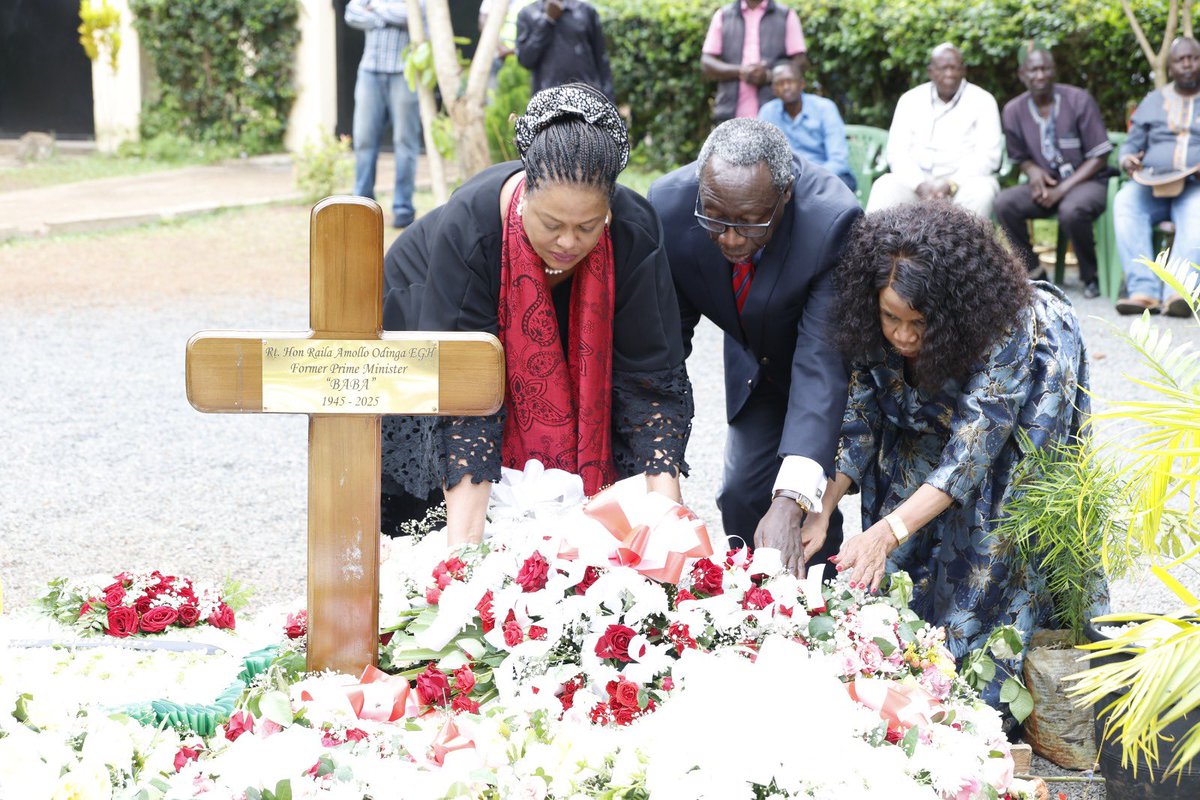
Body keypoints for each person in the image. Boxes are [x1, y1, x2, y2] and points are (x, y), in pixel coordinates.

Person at [802, 202, 1089, 705]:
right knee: (902, 502)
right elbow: (862, 422)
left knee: (995, 523)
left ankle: (979, 687)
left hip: (1023, 404)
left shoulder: (1008, 327)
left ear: (950, 310)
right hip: (933, 409)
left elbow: (969, 456)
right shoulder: (874, 321)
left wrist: (885, 534)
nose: (903, 335)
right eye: (891, 317)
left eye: (919, 322)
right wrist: (821, 511)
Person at [380, 84, 692, 544]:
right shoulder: (471, 225)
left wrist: (669, 526)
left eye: (588, 227)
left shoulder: (634, 231)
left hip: (575, 330)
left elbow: (650, 384)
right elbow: (465, 399)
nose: (568, 242)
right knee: (427, 514)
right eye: (552, 224)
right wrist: (462, 558)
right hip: (433, 310)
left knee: (610, 537)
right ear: (526, 196)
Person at [647, 118, 860, 576]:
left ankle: (822, 596)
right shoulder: (669, 205)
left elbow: (821, 361)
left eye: (749, 224)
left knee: (799, 507)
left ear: (785, 193)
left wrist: (792, 498)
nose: (729, 238)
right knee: (742, 493)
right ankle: (752, 603)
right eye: (715, 218)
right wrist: (656, 456)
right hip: (754, 369)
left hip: (826, 371)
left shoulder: (832, 221)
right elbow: (664, 344)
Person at [994, 46, 1112, 298]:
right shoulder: (1014, 110)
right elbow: (1020, 157)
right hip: (1047, 184)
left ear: (1054, 71)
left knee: (1072, 210)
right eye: (1033, 70)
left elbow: (1100, 156)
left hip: (1088, 181)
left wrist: (1061, 190)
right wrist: (1033, 171)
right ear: (1022, 74)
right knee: (1005, 203)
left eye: (1045, 68)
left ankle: (1090, 276)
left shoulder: (1078, 100)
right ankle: (1034, 271)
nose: (1040, 75)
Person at [1113, 36, 1200, 317]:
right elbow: (1130, 143)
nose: (1187, 64)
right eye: (1180, 60)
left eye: (1194, 58)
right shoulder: (1153, 100)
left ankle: (1179, 290)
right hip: (1151, 185)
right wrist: (1127, 158)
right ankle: (1144, 291)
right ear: (1170, 66)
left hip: (1194, 187)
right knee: (1125, 201)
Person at [867, 44, 1002, 218]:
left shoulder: (983, 101)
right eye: (942, 68)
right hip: (916, 184)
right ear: (930, 71)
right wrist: (919, 184)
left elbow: (988, 156)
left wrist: (951, 184)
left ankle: (965, 245)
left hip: (962, 184)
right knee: (885, 185)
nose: (949, 74)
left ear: (963, 70)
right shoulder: (910, 100)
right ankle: (872, 245)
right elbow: (897, 152)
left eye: (954, 68)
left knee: (982, 190)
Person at [344, 0, 422, 230]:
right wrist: (390, 16)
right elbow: (351, 13)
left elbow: (415, 17)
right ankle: (362, 206)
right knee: (364, 140)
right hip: (370, 70)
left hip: (404, 72)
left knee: (405, 143)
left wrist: (376, 9)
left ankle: (403, 209)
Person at [701, 0, 808, 123]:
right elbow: (706, 62)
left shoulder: (785, 15)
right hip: (730, 114)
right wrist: (741, 71)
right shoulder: (723, 15)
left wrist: (768, 76)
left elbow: (800, 60)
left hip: (775, 115)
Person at [757, 61, 855, 190]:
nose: (786, 87)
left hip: (825, 175)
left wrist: (808, 179)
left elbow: (838, 159)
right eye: (780, 83)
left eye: (790, 81)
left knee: (837, 186)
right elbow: (762, 156)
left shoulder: (825, 108)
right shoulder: (767, 112)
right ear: (774, 90)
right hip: (787, 181)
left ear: (802, 84)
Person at [515, 0, 615, 101]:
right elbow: (525, 60)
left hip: (587, 99)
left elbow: (602, 60)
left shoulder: (586, 10)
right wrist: (547, 21)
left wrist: (609, 102)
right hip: (546, 103)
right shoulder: (528, 14)